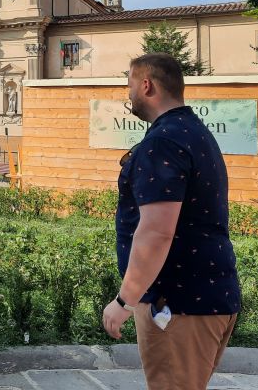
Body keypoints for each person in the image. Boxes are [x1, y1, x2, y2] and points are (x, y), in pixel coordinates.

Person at [102, 53, 241, 390]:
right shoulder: (193, 131)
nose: (129, 94)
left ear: (146, 85)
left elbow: (156, 232)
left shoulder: (163, 142)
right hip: (203, 296)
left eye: (130, 85)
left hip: (178, 303)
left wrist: (125, 300)